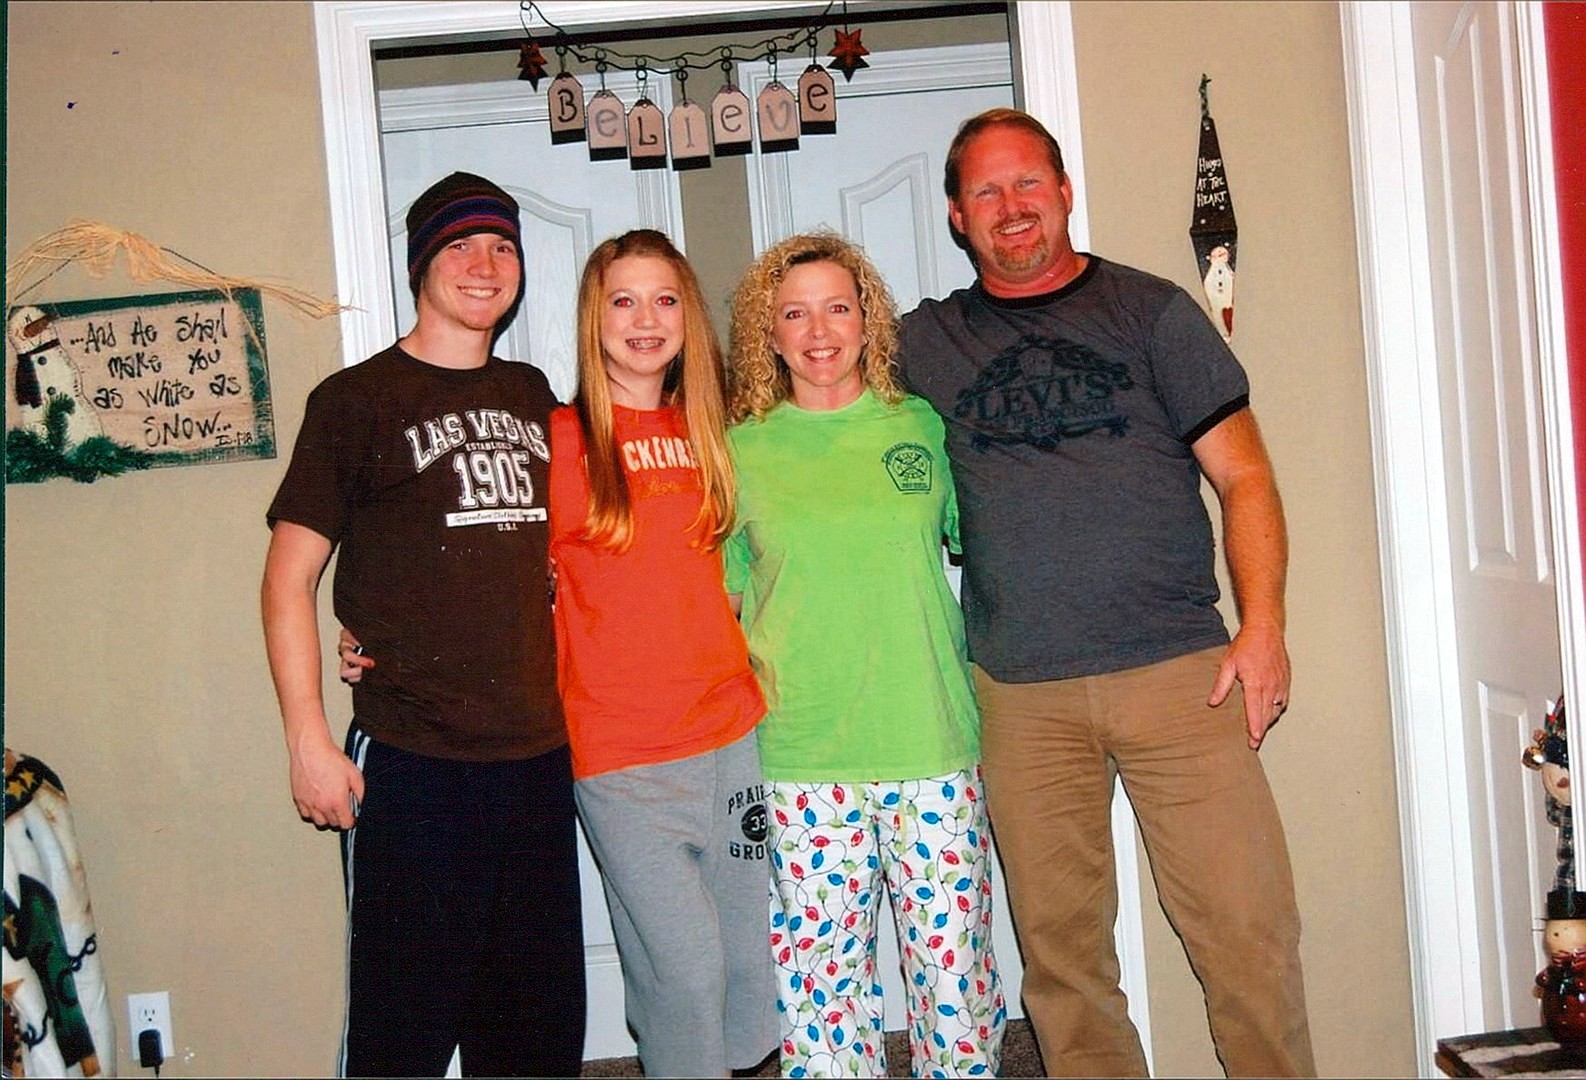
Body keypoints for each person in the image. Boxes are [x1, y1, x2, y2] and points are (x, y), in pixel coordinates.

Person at [897, 107, 1314, 1077]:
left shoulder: (1150, 312)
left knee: (1247, 940)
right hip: (1018, 694)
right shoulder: (922, 342)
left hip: (1180, 677)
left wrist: (1263, 628)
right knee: (1063, 966)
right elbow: (814, 390)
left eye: (1026, 183)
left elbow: (1245, 475)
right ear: (956, 214)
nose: (1010, 206)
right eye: (986, 191)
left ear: (1063, 190)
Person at [261, 172, 585, 1078]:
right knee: (400, 1037)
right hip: (414, 764)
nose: (485, 264)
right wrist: (307, 741)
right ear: (420, 265)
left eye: (503, 246)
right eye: (460, 245)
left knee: (535, 1036)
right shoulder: (355, 400)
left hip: (536, 759)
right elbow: (287, 580)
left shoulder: (532, 392)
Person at [725, 232, 1005, 1079]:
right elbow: (714, 601)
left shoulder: (922, 425)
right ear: (768, 334)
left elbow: (993, 544)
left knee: (955, 987)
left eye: (837, 308)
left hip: (929, 742)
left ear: (867, 321)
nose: (819, 331)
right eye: (794, 314)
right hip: (801, 756)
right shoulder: (739, 451)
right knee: (822, 997)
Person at [548, 229, 776, 1077]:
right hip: (623, 753)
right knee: (685, 971)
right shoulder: (556, 439)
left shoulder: (713, 433)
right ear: (594, 317)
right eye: (624, 301)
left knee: (747, 963)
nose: (646, 319)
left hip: (732, 738)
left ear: (689, 316)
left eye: (665, 300)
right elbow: (478, 565)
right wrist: (380, 629)